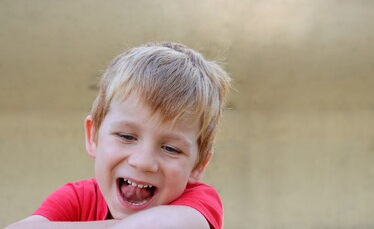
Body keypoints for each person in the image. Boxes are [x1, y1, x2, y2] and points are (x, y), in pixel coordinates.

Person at [6, 41, 231, 229]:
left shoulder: (199, 203)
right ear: (93, 136)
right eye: (126, 136)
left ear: (197, 166)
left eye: (170, 148)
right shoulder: (78, 198)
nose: (143, 162)